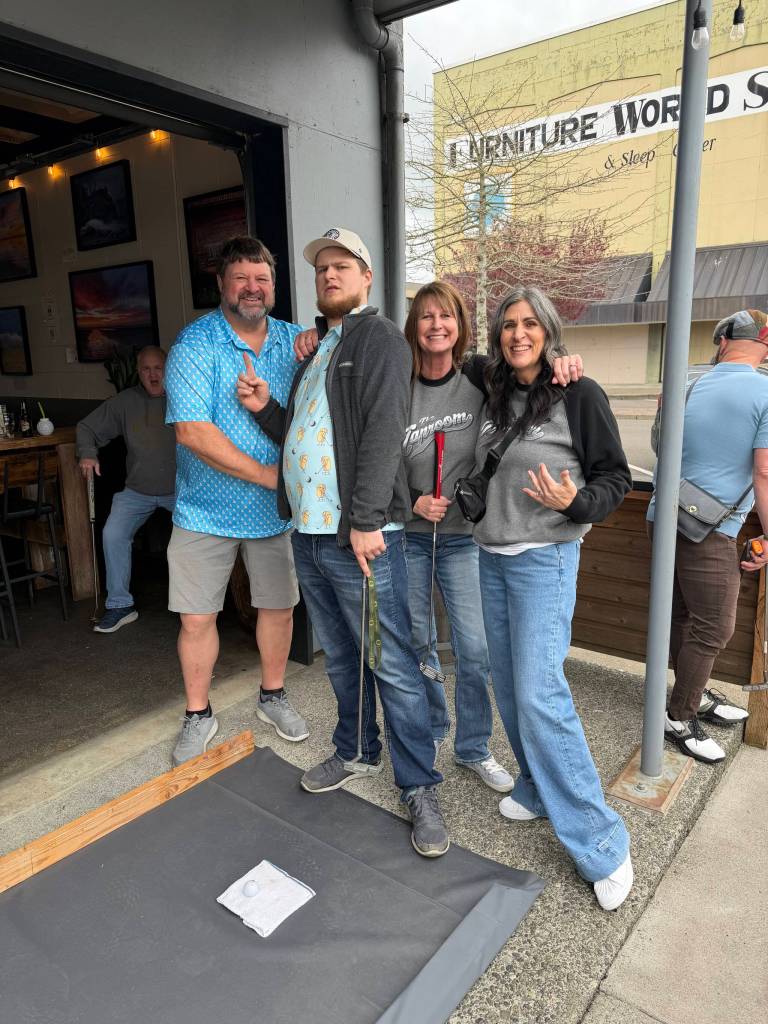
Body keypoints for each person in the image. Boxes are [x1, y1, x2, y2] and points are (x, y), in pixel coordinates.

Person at [237, 227, 450, 858]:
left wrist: (364, 520)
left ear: (365, 277)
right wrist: (265, 408)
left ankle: (419, 786)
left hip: (358, 539)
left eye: (341, 266)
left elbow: (384, 429)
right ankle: (356, 750)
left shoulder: (379, 338)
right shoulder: (320, 348)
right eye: (321, 268)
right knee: (343, 656)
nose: (329, 275)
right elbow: (306, 434)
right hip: (309, 535)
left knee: (391, 662)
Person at [474, 285, 633, 911]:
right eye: (508, 325)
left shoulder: (578, 392)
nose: (518, 334)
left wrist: (577, 503)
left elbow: (615, 476)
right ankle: (539, 788)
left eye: (529, 324)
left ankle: (603, 843)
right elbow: (440, 347)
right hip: (493, 557)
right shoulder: (489, 385)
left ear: (548, 330)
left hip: (546, 558)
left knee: (541, 692)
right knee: (510, 687)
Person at [401, 281, 583, 791]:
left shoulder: (482, 376)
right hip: (413, 535)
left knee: (476, 649)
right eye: (426, 317)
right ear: (414, 327)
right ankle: (434, 728)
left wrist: (563, 357)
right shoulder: (398, 385)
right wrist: (409, 501)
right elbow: (378, 460)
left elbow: (531, 359)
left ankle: (474, 747)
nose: (437, 326)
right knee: (420, 642)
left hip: (467, 537)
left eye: (447, 317)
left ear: (460, 327)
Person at [164, 235, 309, 767]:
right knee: (197, 618)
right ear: (222, 285)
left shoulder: (297, 343)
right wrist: (270, 476)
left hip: (273, 517)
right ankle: (198, 714)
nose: (253, 288)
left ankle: (273, 696)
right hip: (205, 510)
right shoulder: (195, 346)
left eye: (262, 279)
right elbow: (193, 433)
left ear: (273, 288)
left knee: (278, 605)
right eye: (242, 278)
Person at [648, 309, 767, 764]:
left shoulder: (686, 382)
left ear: (722, 342)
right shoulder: (766, 391)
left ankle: (691, 694)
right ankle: (679, 717)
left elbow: (662, 446)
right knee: (715, 625)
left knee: (682, 616)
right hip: (711, 528)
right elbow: (764, 470)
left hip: (663, 514)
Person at [77, 345, 176, 634]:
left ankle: (194, 608)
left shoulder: (184, 397)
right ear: (138, 372)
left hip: (180, 490)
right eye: (146, 369)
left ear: (168, 368)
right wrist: (87, 453)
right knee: (113, 534)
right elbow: (87, 428)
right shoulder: (125, 402)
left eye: (158, 367)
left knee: (190, 543)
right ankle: (120, 605)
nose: (153, 374)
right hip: (137, 490)